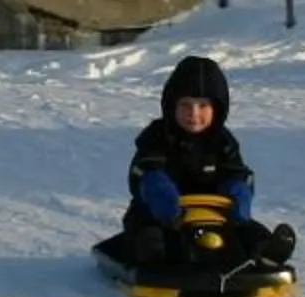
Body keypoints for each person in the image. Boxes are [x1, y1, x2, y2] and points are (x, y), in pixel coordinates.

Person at [122, 54, 294, 268]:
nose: (193, 114)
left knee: (246, 229)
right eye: (185, 105)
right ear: (171, 105)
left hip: (213, 214)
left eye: (202, 105)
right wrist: (158, 190)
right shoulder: (157, 136)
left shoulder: (223, 141)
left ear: (217, 108)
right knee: (148, 232)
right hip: (161, 213)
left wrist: (238, 192)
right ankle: (155, 261)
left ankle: (267, 252)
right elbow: (145, 170)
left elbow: (236, 173)